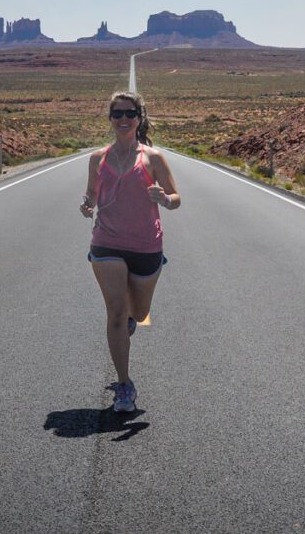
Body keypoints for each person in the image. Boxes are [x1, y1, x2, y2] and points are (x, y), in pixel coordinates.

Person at [79, 91, 181, 412]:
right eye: (117, 114)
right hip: (106, 243)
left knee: (137, 311)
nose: (123, 119)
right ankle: (124, 385)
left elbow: (177, 197)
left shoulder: (153, 158)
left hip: (146, 246)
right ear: (110, 119)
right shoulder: (98, 159)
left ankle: (132, 320)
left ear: (139, 118)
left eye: (129, 113)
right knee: (116, 314)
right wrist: (87, 206)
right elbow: (91, 197)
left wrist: (164, 198)